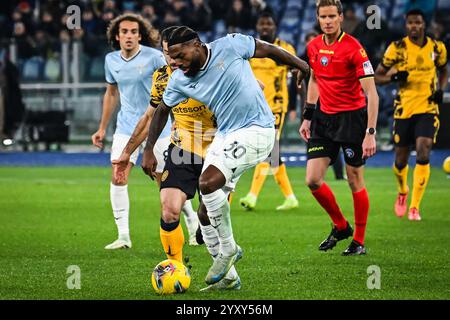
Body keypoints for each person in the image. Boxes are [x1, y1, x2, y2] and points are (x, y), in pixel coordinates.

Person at [139, 26, 309, 286]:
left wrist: (301, 66)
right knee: (205, 213)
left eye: (179, 55)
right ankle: (229, 278)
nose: (174, 63)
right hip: (226, 136)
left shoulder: (230, 46)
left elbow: (269, 50)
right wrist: (149, 148)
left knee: (206, 182)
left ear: (196, 44)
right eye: (170, 58)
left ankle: (229, 249)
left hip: (258, 130)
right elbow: (162, 109)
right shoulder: (179, 79)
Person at [114, 26, 242, 291]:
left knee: (207, 218)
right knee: (169, 208)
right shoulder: (162, 77)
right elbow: (152, 115)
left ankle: (228, 273)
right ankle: (175, 266)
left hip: (219, 150)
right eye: (165, 54)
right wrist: (133, 152)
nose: (171, 60)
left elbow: (247, 90)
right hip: (182, 148)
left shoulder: (212, 67)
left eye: (175, 54)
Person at [299, 0, 379, 256]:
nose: (328, 21)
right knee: (312, 179)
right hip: (324, 118)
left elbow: (373, 95)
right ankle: (341, 225)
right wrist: (308, 116)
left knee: (355, 180)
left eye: (332, 16)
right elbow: (314, 79)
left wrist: (370, 133)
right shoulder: (313, 47)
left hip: (352, 120)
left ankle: (359, 240)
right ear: (318, 18)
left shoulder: (355, 49)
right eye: (323, 17)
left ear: (341, 17)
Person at [91, 13, 173, 250]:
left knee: (165, 180)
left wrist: (178, 120)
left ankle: (191, 224)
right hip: (126, 126)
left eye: (134, 32)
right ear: (117, 36)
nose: (129, 36)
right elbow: (111, 93)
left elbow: (172, 89)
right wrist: (102, 127)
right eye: (124, 32)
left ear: (140, 35)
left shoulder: (156, 57)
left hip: (158, 126)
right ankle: (123, 236)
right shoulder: (111, 61)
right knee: (118, 174)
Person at [375, 9, 448, 221]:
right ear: (406, 25)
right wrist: (395, 76)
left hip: (427, 108)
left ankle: (414, 207)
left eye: (417, 22)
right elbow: (378, 76)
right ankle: (402, 191)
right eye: (410, 23)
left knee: (424, 151)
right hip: (404, 110)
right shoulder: (396, 48)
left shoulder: (437, 47)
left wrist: (440, 89)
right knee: (400, 160)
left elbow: (443, 70)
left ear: (424, 24)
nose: (414, 26)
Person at [239, 12, 299, 211]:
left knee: (267, 150)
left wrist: (292, 107)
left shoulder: (285, 49)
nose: (265, 27)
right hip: (255, 107)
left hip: (276, 108)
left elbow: (295, 77)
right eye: (262, 23)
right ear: (257, 26)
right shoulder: (251, 49)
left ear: (275, 26)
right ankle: (290, 197)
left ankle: (252, 195)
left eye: (269, 23)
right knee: (273, 154)